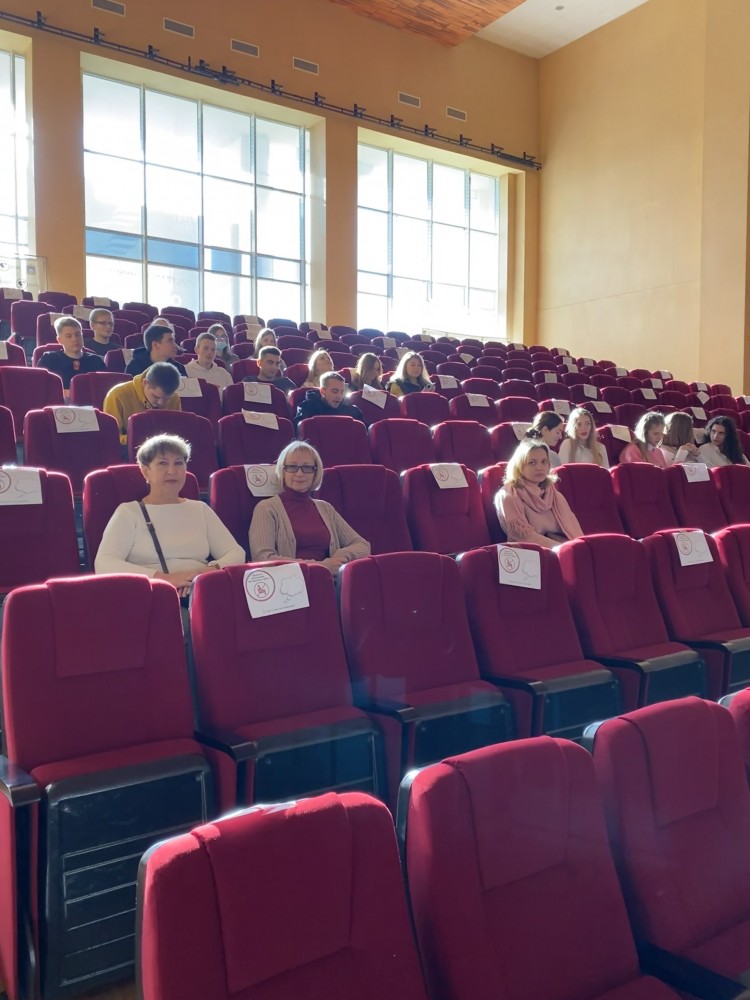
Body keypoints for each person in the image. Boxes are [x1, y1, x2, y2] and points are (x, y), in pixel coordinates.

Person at [95, 434, 244, 597]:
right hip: (150, 595)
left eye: (178, 463)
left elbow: (236, 553)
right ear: (145, 471)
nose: (172, 471)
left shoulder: (200, 509)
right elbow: (104, 562)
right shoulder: (129, 512)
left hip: (199, 593)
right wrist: (164, 579)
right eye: (162, 463)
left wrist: (201, 573)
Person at [249, 441, 370, 575]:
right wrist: (321, 566)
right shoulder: (266, 509)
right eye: (292, 467)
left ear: (315, 472)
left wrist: (342, 555)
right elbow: (263, 558)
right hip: (291, 583)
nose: (300, 474)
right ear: (282, 470)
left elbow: (363, 545)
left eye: (307, 467)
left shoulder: (325, 508)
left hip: (331, 581)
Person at [495, 438, 583, 549]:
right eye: (532, 462)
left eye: (544, 462)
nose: (539, 467)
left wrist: (580, 549)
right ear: (519, 465)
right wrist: (564, 550)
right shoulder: (509, 495)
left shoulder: (555, 495)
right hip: (534, 553)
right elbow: (524, 537)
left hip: (565, 548)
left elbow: (575, 534)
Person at [103, 362, 182, 444]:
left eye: (167, 399)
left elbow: (176, 432)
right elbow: (111, 437)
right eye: (156, 397)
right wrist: (142, 440)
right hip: (128, 446)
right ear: (144, 383)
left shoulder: (175, 398)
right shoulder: (117, 395)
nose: (161, 403)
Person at [37, 316, 105, 396]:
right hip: (58, 402)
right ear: (59, 340)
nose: (75, 339)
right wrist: (70, 394)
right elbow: (40, 388)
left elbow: (104, 389)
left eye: (78, 335)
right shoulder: (48, 359)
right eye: (69, 336)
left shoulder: (96, 360)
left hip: (90, 402)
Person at [293, 371, 366, 427]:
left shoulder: (352, 411)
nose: (339, 396)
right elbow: (300, 431)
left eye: (342, 392)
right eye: (335, 391)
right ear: (322, 391)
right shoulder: (306, 409)